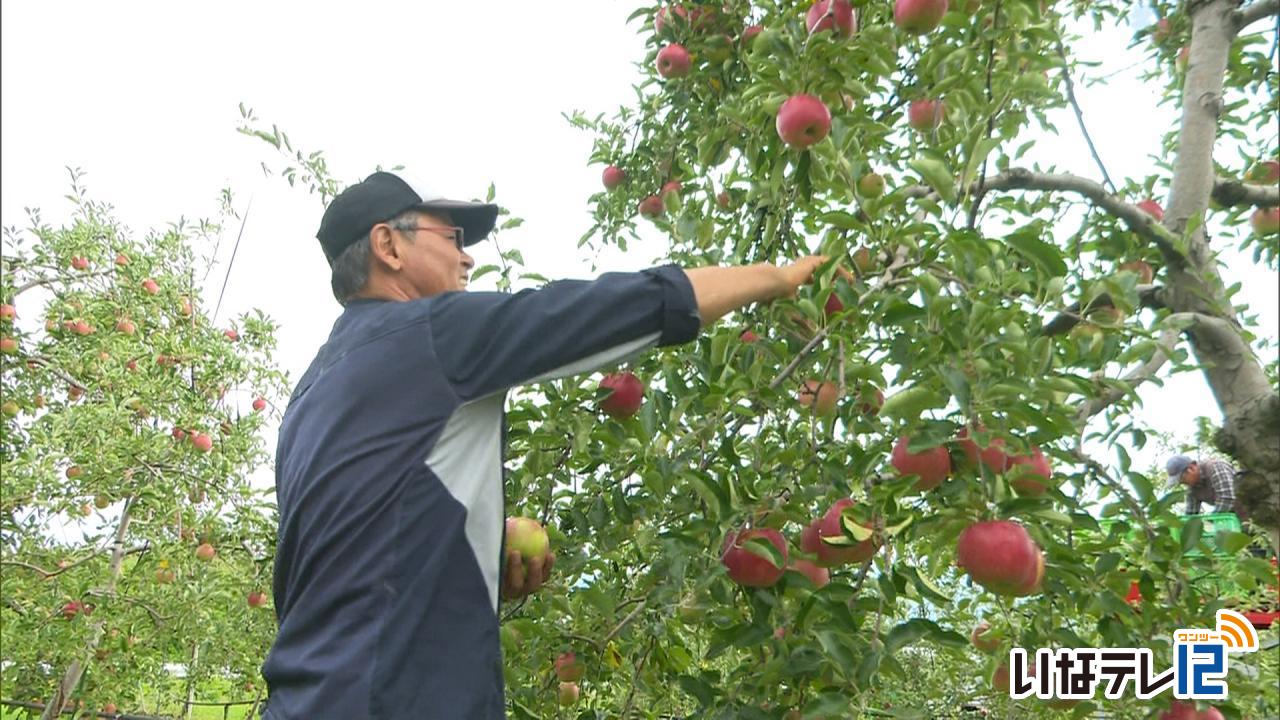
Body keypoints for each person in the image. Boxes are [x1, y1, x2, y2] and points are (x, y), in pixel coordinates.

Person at [260, 171, 829, 719]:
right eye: (453, 237)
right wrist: (778, 277)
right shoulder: (437, 333)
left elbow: (340, 560)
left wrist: (469, 557)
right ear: (388, 245)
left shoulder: (310, 394)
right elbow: (611, 308)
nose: (468, 257)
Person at [1166, 453, 1239, 515]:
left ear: (1191, 468)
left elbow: (1227, 498)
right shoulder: (1192, 489)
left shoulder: (1215, 467)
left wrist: (1210, 520)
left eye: (1182, 479)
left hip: (1246, 505)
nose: (1181, 483)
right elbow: (1191, 514)